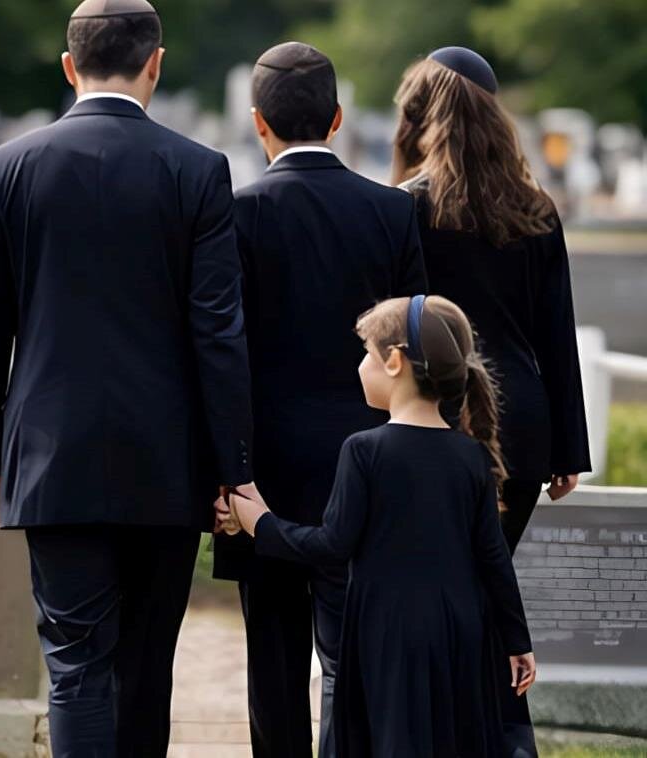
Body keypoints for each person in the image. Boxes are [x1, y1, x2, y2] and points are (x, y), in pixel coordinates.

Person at [0, 1, 256, 755]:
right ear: (155, 63)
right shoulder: (198, 170)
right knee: (146, 667)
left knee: (76, 669)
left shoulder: (8, 168)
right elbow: (218, 332)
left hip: (53, 457)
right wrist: (232, 468)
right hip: (166, 459)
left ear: (69, 67)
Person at [213, 41, 427, 758]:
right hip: (366, 464)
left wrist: (224, 469)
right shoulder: (391, 214)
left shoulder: (234, 215)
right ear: (338, 119)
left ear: (257, 123)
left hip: (261, 471)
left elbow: (222, 350)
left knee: (272, 664)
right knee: (352, 661)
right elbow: (414, 347)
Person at [220, 295, 537, 758]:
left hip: (388, 633)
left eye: (366, 354)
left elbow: (332, 544)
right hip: (459, 630)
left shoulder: (365, 450)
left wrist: (261, 524)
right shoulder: (469, 456)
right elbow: (492, 557)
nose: (360, 366)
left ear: (394, 362)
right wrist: (516, 639)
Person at [391, 46, 591, 555]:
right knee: (491, 583)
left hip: (433, 419)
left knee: (440, 585)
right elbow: (556, 333)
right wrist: (568, 449)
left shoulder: (407, 206)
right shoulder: (536, 209)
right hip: (522, 428)